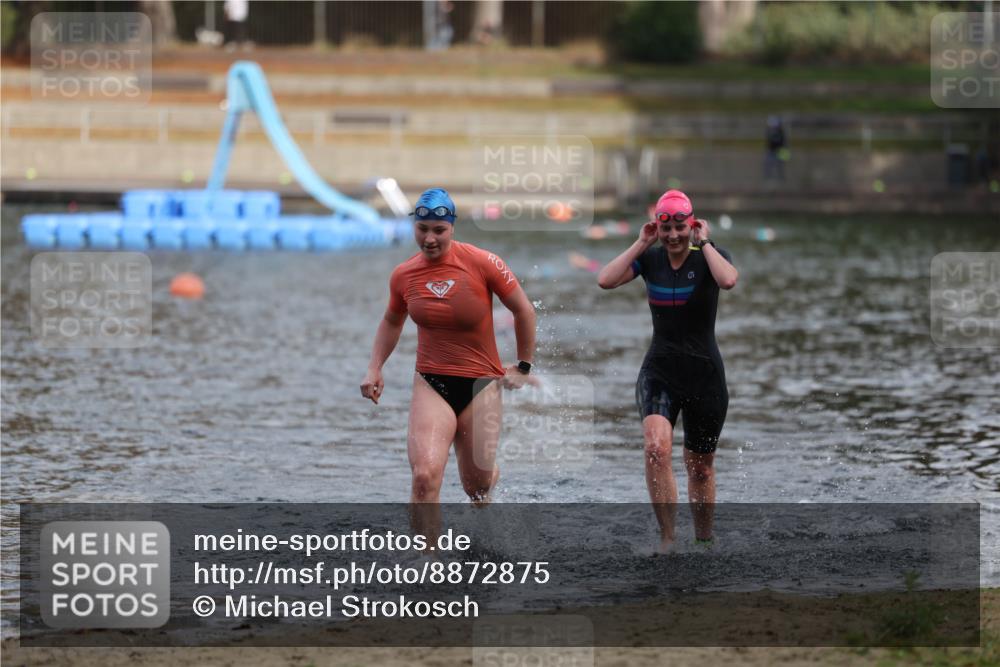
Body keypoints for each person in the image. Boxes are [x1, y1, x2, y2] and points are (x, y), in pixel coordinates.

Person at [361, 188, 536, 535]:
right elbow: (393, 320)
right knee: (424, 475)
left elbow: (523, 311)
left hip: (480, 384)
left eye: (438, 230)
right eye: (422, 229)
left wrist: (523, 366)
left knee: (477, 487)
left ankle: (488, 477)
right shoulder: (403, 275)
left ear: (452, 227)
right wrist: (375, 366)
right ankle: (427, 561)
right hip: (431, 382)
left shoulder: (483, 263)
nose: (429, 238)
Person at [597, 190, 738, 552]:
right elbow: (606, 280)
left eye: (680, 227)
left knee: (700, 468)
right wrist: (640, 242)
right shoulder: (651, 259)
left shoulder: (711, 256)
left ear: (691, 225)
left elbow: (729, 280)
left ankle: (704, 541)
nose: (673, 235)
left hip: (704, 375)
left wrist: (703, 242)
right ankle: (668, 541)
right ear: (656, 227)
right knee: (656, 449)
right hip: (660, 370)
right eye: (665, 228)